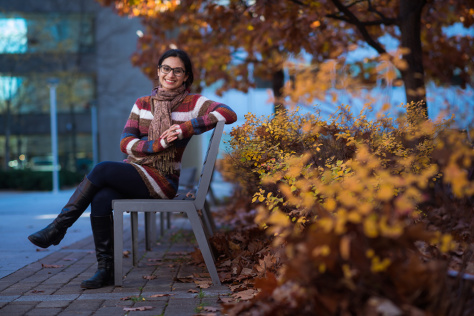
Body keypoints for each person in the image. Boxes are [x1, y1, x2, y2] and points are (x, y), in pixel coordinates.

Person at [28, 49, 237, 289]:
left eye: (178, 70)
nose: (171, 74)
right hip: (138, 170)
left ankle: (58, 227)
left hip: (164, 180)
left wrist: (186, 128)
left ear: (186, 76)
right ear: (158, 71)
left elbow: (228, 113)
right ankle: (105, 270)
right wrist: (156, 145)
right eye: (166, 68)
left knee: (103, 169)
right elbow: (125, 143)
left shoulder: (194, 103)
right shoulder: (142, 104)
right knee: (102, 197)